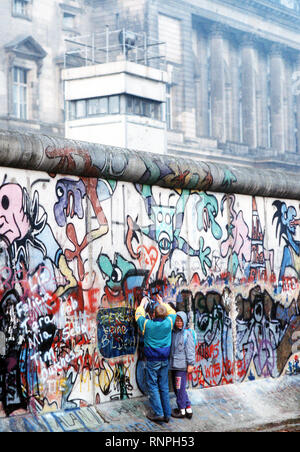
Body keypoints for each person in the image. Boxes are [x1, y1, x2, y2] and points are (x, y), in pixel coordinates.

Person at [135, 294, 176, 423]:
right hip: (164, 359)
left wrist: (142, 305)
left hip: (152, 360)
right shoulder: (169, 322)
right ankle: (167, 413)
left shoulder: (148, 325)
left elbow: (138, 316)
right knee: (163, 386)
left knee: (152, 385)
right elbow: (173, 312)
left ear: (153, 315)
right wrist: (162, 303)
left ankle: (158, 412)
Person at [169, 311, 195, 419]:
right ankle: (188, 408)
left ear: (184, 321)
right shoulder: (174, 333)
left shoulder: (186, 334)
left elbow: (190, 350)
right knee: (180, 389)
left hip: (181, 366)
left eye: (180, 321)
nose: (178, 323)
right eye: (177, 320)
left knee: (179, 388)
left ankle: (181, 410)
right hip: (174, 365)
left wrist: (190, 364)